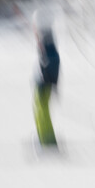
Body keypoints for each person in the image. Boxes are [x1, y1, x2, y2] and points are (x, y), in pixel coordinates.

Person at [32, 10, 60, 146]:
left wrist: (49, 80)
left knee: (42, 110)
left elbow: (53, 61)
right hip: (42, 81)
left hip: (45, 82)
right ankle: (43, 139)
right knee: (38, 108)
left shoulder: (49, 46)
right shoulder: (45, 42)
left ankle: (48, 141)